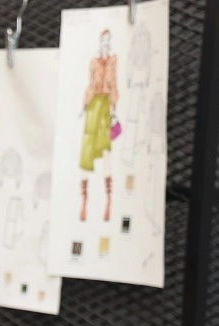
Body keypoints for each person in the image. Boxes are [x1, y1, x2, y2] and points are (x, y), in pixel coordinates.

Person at [79, 30, 118, 222]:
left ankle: (109, 199)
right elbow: (91, 85)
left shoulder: (112, 61)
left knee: (105, 150)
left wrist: (113, 108)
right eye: (103, 40)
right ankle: (84, 200)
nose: (105, 43)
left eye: (107, 40)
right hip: (93, 107)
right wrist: (84, 106)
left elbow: (113, 84)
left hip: (104, 108)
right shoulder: (94, 62)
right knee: (87, 151)